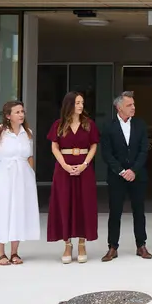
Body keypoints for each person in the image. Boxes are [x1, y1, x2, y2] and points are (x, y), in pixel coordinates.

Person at [0, 100, 39, 265]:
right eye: (17, 112)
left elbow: (29, 156)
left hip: (23, 176)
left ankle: (15, 252)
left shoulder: (27, 132)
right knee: (1, 210)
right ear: (8, 116)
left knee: (19, 211)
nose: (21, 115)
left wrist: (31, 173)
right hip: (4, 174)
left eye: (22, 111)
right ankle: (0, 252)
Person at [46, 91, 100, 264]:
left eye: (82, 103)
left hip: (85, 168)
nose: (81, 106)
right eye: (77, 102)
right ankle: (67, 244)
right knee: (64, 203)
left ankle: (82, 243)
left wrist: (84, 164)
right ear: (69, 104)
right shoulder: (58, 124)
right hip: (64, 169)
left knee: (85, 204)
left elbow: (93, 146)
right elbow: (54, 147)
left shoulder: (88, 124)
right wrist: (65, 165)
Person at [99, 91, 152, 261]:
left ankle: (141, 245)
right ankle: (112, 247)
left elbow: (144, 150)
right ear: (119, 107)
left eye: (134, 105)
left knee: (139, 211)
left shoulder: (140, 125)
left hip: (138, 175)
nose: (133, 108)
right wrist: (121, 171)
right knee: (115, 212)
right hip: (117, 176)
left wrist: (133, 170)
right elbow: (106, 153)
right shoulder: (108, 126)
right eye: (129, 105)